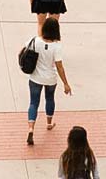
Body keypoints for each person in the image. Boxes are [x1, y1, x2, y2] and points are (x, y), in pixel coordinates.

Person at [23, 16, 71, 146]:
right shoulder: (57, 47)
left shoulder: (35, 41)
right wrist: (66, 83)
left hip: (35, 78)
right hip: (50, 79)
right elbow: (59, 66)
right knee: (50, 99)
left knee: (33, 102)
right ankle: (49, 123)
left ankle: (31, 128)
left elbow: (22, 51)